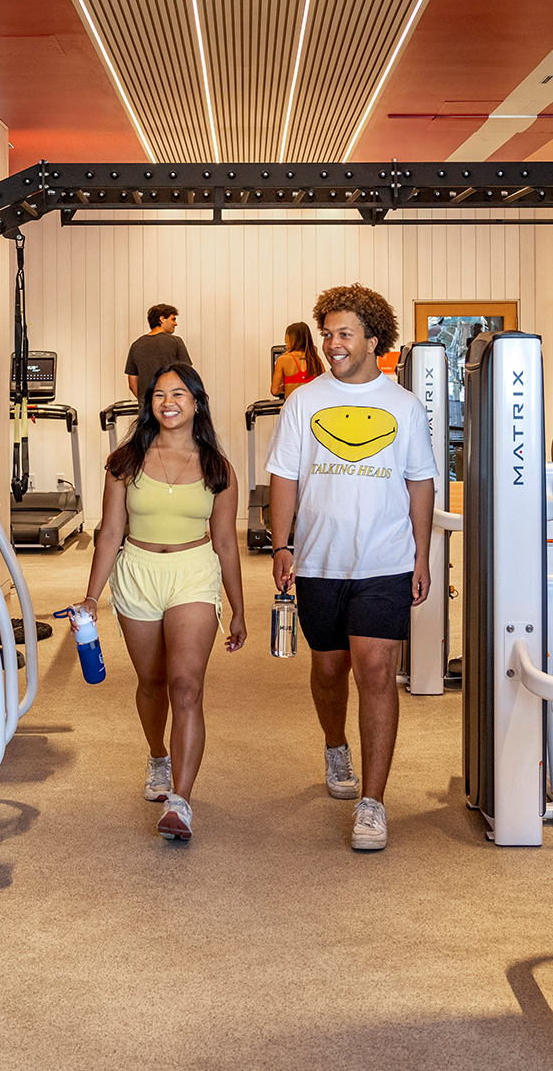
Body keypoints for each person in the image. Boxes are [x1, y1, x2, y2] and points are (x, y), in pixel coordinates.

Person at [266, 283, 436, 852]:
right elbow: (284, 477)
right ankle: (335, 745)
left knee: (376, 673)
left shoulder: (404, 406)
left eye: (344, 334)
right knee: (330, 670)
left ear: (373, 339)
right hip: (319, 561)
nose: (333, 344)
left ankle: (374, 802)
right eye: (327, 333)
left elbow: (419, 481)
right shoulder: (303, 401)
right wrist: (281, 545)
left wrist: (421, 554)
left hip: (384, 561)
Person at [77, 362, 246, 842]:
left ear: (197, 401)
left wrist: (238, 608)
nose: (168, 402)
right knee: (151, 682)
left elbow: (227, 543)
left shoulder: (219, 468)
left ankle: (181, 799)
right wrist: (92, 596)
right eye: (158, 395)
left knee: (185, 686)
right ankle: (157, 756)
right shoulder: (125, 461)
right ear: (148, 404)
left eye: (178, 393)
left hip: (193, 572)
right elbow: (110, 532)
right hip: (138, 573)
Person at [125, 304, 192, 401]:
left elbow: (132, 383)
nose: (175, 323)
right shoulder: (175, 341)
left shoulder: (136, 345)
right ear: (162, 319)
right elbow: (188, 375)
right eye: (173, 319)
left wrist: (146, 402)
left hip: (147, 408)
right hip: (172, 404)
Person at [271, 321, 325, 398]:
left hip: (291, 407)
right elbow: (324, 385)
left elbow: (274, 391)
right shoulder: (316, 360)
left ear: (291, 338)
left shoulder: (282, 360)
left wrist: (282, 387)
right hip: (310, 406)